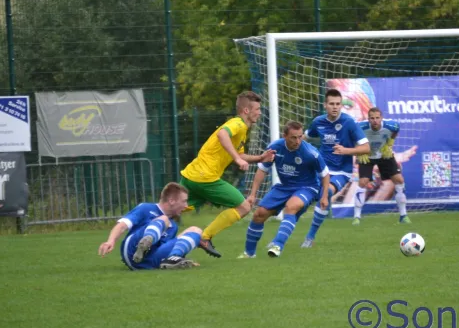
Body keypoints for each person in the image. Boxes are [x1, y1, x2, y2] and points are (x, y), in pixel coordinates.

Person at [179, 91, 276, 258]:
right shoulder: (237, 124)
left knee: (175, 209)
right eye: (257, 109)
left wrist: (260, 157)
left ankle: (145, 224)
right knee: (244, 207)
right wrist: (237, 159)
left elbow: (241, 154)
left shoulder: (242, 130)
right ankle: (204, 237)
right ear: (246, 110)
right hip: (205, 177)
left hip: (191, 174)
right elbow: (222, 134)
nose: (260, 113)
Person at [238, 121, 330, 258]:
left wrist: (324, 197)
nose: (298, 141)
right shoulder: (275, 148)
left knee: (291, 207)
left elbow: (325, 174)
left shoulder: (311, 153)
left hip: (307, 187)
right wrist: (252, 194)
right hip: (284, 187)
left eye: (300, 137)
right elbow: (262, 170)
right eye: (294, 137)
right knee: (259, 214)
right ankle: (249, 253)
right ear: (285, 136)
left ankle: (277, 245)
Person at [300, 88, 370, 248]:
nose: (335, 107)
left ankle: (310, 237)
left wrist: (347, 150)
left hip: (342, 172)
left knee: (328, 192)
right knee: (301, 199)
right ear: (325, 105)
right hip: (322, 169)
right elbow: (304, 137)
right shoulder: (318, 122)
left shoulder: (349, 122)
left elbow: (366, 148)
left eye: (338, 104)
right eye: (331, 104)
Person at [97, 182, 202, 270]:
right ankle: (144, 243)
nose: (186, 206)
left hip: (150, 262)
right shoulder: (146, 208)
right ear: (171, 201)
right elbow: (123, 225)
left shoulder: (173, 226)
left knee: (196, 230)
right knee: (164, 219)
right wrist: (111, 241)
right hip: (131, 252)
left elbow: (165, 246)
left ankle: (173, 259)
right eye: (184, 201)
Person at [353, 107, 411, 225]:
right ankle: (357, 217)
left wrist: (389, 144)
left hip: (384, 154)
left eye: (377, 118)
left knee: (399, 180)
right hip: (367, 155)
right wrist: (358, 150)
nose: (375, 120)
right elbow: (352, 136)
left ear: (381, 118)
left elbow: (396, 131)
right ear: (368, 119)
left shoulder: (391, 126)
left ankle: (403, 215)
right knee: (363, 181)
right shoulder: (359, 126)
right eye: (372, 118)